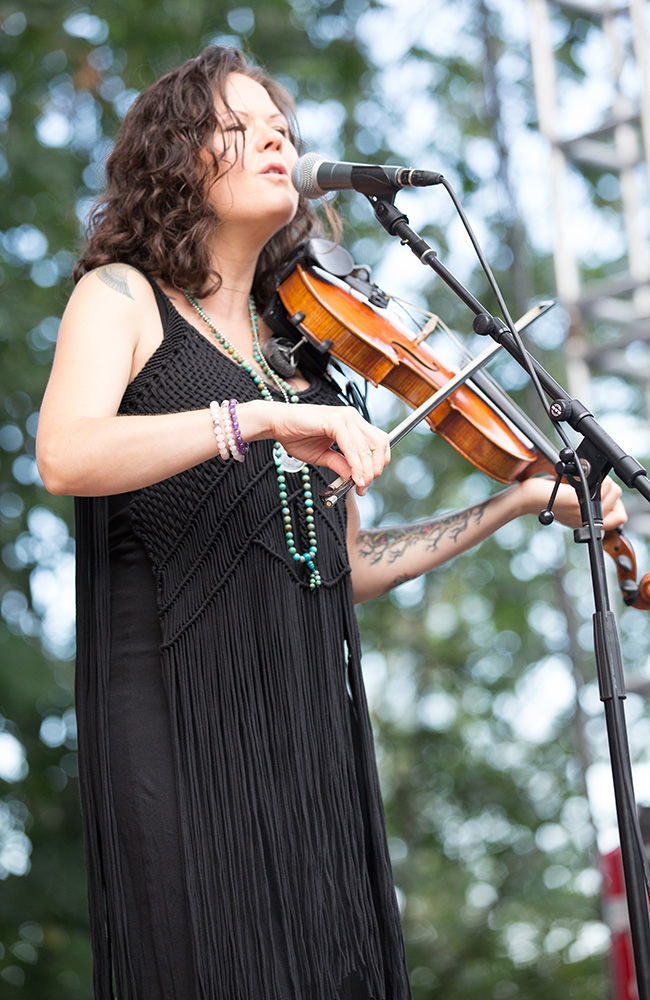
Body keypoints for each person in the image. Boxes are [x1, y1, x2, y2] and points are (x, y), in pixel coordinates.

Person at [36, 45, 626, 1000]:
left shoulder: (308, 359)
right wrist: (262, 419)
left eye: (282, 124)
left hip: (303, 712)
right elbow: (65, 453)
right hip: (178, 713)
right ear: (176, 155)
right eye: (240, 123)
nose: (275, 136)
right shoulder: (124, 298)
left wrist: (516, 497)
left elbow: (343, 566)